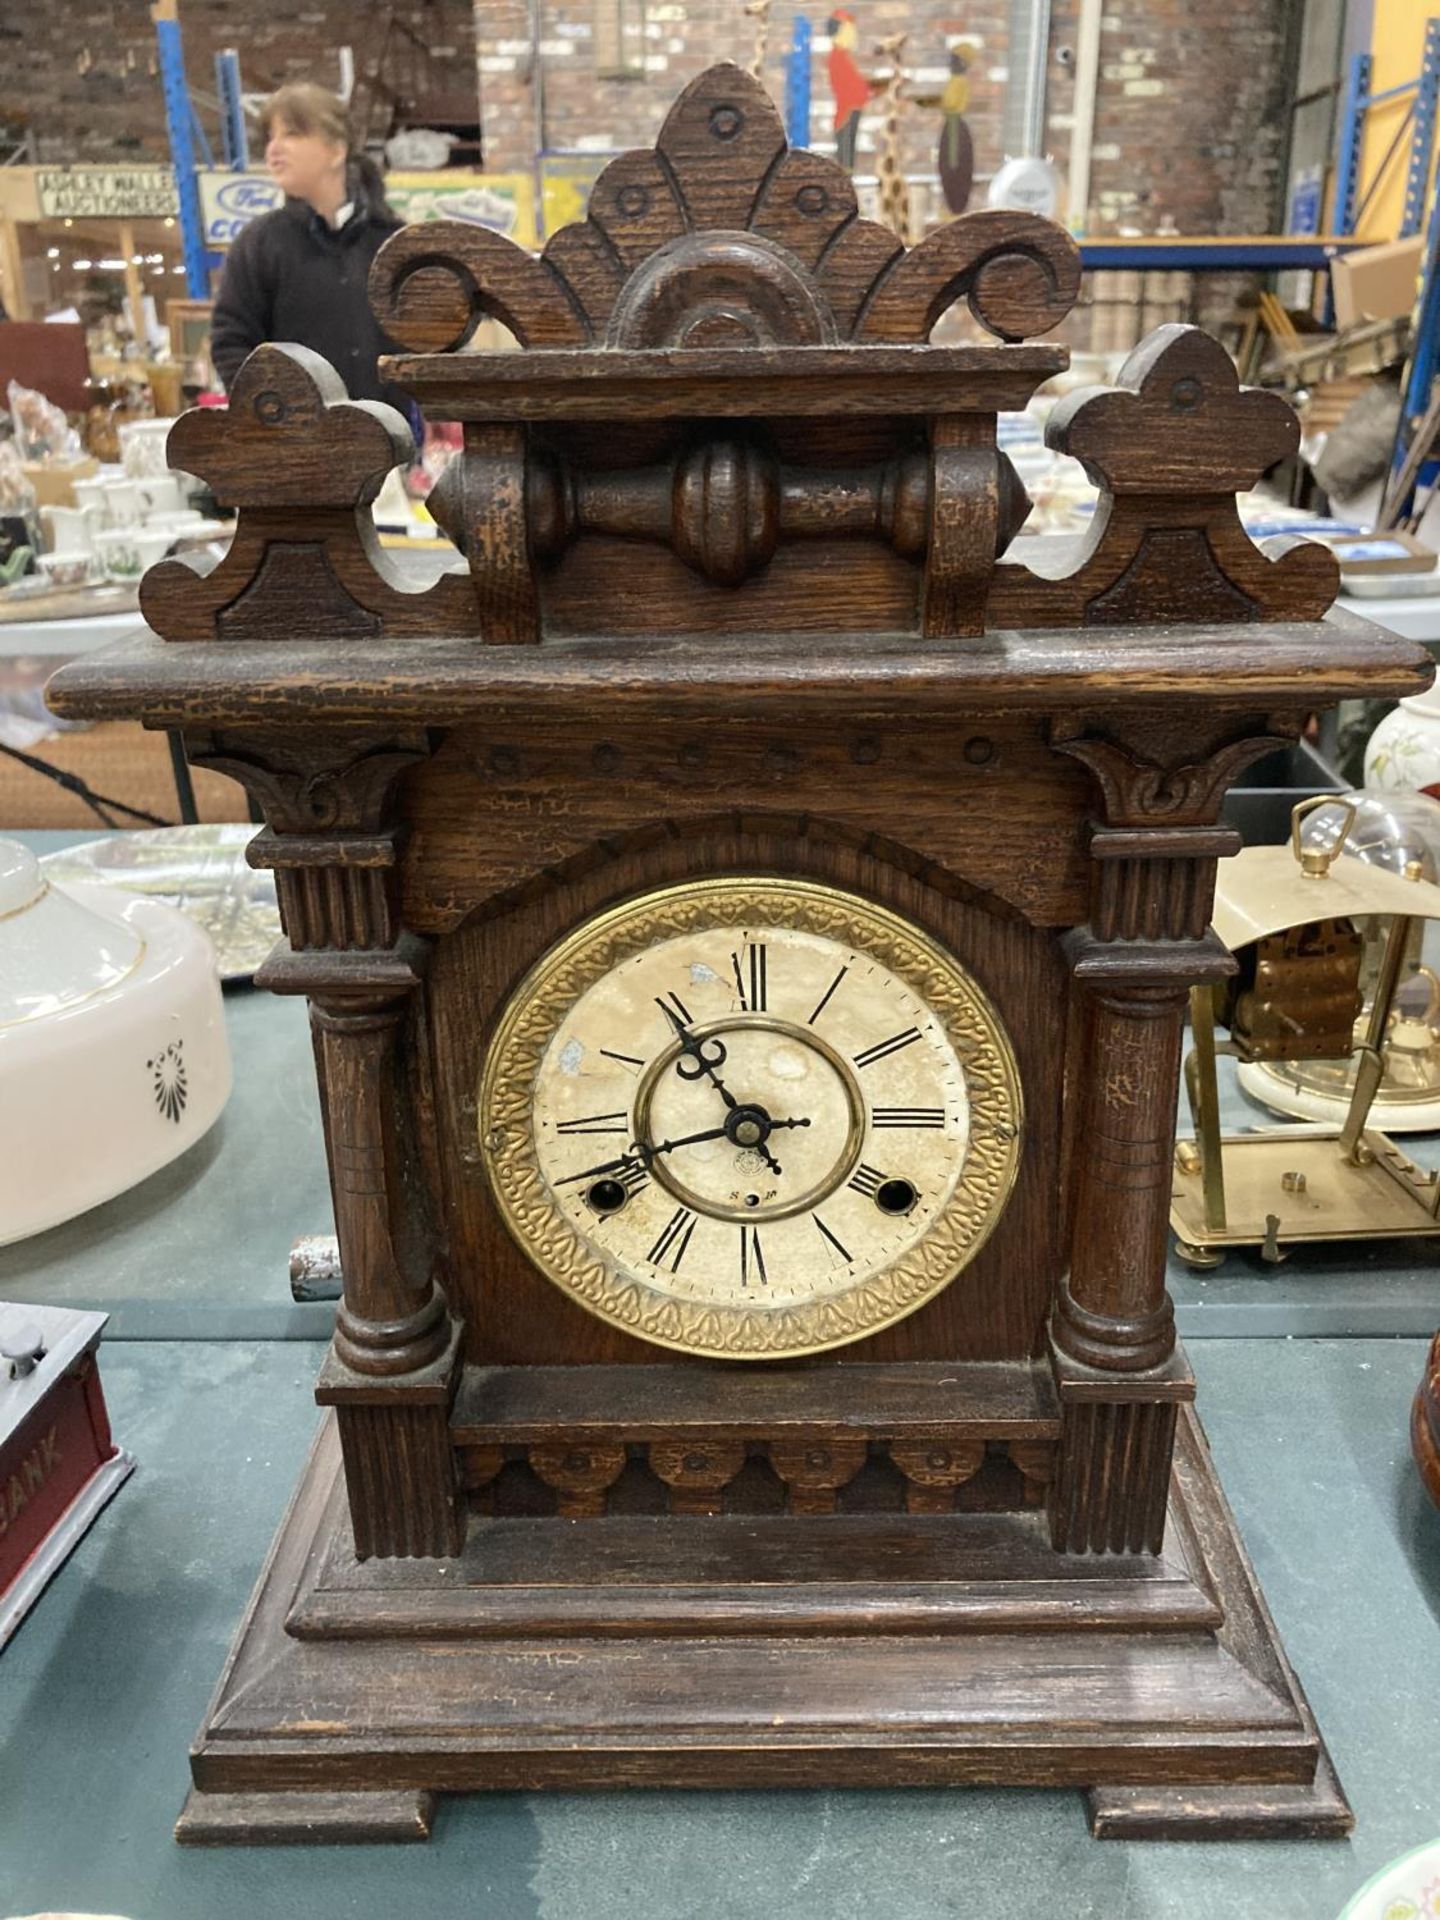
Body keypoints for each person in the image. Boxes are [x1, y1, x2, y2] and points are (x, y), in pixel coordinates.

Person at [210, 84, 403, 403]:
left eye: (292, 134)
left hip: (392, 443)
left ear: (336, 150)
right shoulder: (258, 244)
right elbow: (231, 344)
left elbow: (428, 343)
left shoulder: (394, 243)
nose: (274, 149)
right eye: (271, 137)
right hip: (294, 448)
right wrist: (276, 416)